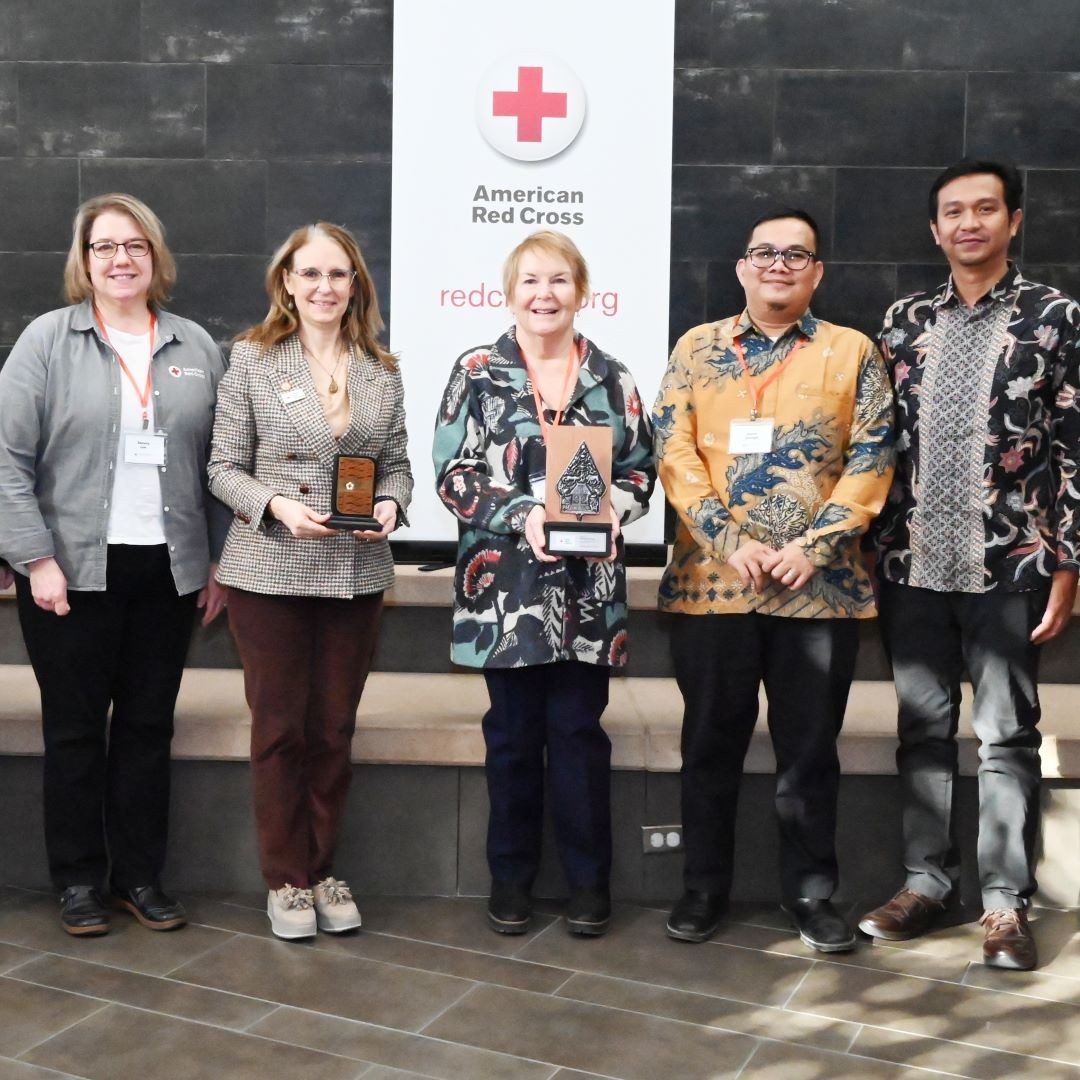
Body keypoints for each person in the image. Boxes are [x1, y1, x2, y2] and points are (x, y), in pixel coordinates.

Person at [859, 161, 1080, 971]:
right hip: (911, 561)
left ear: (1013, 220)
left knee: (1005, 736)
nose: (970, 223)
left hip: (1010, 562)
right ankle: (924, 884)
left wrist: (1068, 561)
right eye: (954, 211)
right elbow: (876, 443)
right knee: (921, 730)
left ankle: (1002, 906)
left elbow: (1072, 449)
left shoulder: (1055, 317)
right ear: (935, 228)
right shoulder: (904, 320)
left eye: (986, 208)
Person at [654, 209, 895, 953]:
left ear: (817, 272)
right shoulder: (697, 349)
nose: (780, 265)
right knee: (709, 744)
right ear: (742, 268)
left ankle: (812, 895)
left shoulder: (852, 352)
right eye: (765, 253)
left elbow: (874, 455)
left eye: (797, 255)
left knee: (810, 749)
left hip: (817, 592)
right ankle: (702, 889)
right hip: (712, 586)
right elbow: (674, 450)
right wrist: (729, 540)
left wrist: (814, 546)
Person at [0, 193, 228, 936]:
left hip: (167, 571)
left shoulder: (196, 346)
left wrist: (218, 564)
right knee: (72, 732)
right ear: (84, 260)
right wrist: (34, 557)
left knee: (145, 729)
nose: (120, 259)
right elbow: (7, 458)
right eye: (104, 247)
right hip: (68, 574)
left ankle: (139, 877)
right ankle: (76, 882)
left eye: (134, 246)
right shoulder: (47, 341)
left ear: (155, 256)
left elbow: (221, 464)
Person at [433, 230, 654, 937]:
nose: (545, 295)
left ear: (581, 292)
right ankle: (512, 881)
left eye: (559, 281)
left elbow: (644, 469)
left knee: (580, 737)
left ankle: (590, 887)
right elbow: (454, 475)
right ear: (509, 292)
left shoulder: (614, 378)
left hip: (590, 598)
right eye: (530, 282)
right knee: (513, 738)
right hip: (507, 595)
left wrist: (616, 507)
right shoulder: (476, 371)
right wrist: (523, 513)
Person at [208, 222, 412, 941]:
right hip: (270, 569)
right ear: (287, 284)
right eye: (311, 274)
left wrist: (393, 500)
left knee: (333, 729)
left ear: (356, 284)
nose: (325, 287)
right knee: (280, 731)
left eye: (339, 274)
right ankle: (286, 879)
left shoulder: (381, 368)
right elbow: (223, 466)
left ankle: (324, 869)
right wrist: (275, 506)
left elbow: (397, 463)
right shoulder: (253, 360)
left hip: (355, 571)